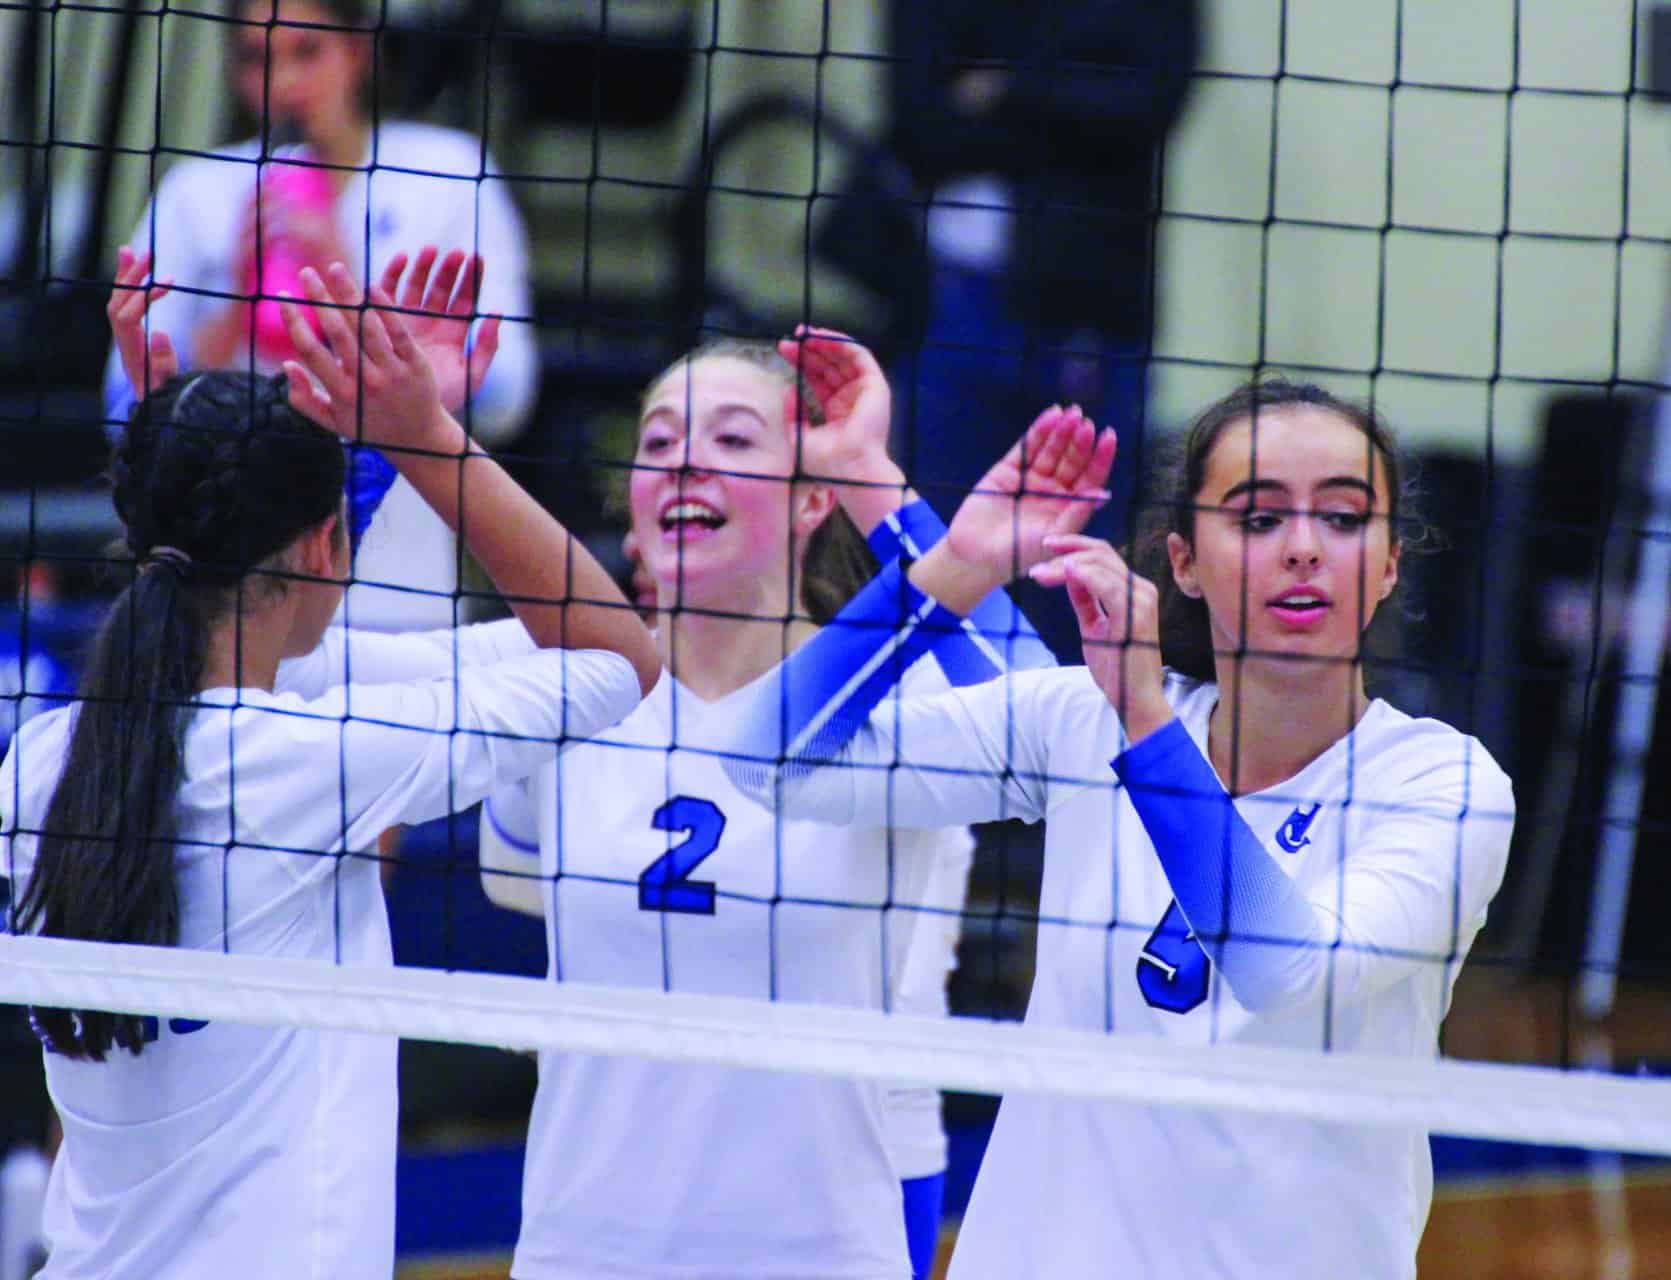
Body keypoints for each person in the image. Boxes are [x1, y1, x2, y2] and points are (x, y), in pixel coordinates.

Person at [718, 378, 1516, 1278]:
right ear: (1184, 562)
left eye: (1342, 518)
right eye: (1256, 520)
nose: (1303, 549)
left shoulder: (1443, 785)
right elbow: (766, 761)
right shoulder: (1082, 720)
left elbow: (1281, 967)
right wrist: (958, 566)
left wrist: (1145, 721)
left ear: (1390, 564)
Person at [0, 252, 655, 1280]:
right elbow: (617, 655)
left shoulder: (41, 759)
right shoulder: (313, 763)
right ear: (323, 548)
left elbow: (236, 620)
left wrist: (191, 472)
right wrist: (427, 439)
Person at [474, 330, 1094, 1280]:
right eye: (659, 441)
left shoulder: (887, 707)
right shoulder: (561, 686)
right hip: (583, 1250)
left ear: (811, 499)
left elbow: (1045, 724)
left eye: (732, 441)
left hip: (814, 1250)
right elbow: (512, 880)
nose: (687, 462)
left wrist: (872, 479)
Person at [104, 0, 538, 633]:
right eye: (258, 58)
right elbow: (120, 418)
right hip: (226, 613)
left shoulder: (449, 174)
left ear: (359, 50)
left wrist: (345, 281)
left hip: (402, 610)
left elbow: (507, 398)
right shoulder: (197, 191)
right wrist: (230, 313)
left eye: (307, 51)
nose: (281, 83)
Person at [886, 0, 1197, 657]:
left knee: (1073, 567)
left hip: (1088, 305)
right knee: (933, 546)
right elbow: (919, 120)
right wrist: (1065, 99)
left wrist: (1006, 89)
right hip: (948, 303)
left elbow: (1151, 102)